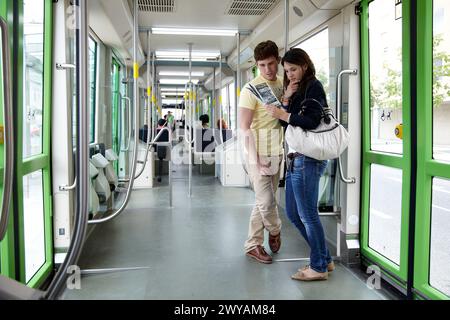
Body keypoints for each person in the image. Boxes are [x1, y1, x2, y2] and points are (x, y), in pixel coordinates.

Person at [265, 48, 334, 280]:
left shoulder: (313, 86)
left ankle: (318, 267)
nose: (290, 74)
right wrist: (285, 99)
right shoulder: (296, 90)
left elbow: (311, 121)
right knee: (294, 214)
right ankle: (324, 259)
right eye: (287, 71)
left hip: (308, 159)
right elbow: (289, 127)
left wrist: (282, 114)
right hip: (296, 158)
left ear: (304, 65)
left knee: (308, 215)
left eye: (293, 69)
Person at [239, 40, 284, 264]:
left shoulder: (283, 85)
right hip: (257, 151)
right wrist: (255, 160)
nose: (268, 70)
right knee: (266, 202)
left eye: (271, 64)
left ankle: (253, 244)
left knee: (262, 201)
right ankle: (275, 230)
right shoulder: (250, 89)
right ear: (257, 65)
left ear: (278, 60)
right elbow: (244, 127)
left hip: (278, 151)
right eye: (262, 65)